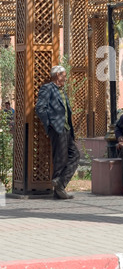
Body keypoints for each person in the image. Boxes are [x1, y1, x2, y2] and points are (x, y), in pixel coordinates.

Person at [35, 65, 80, 199]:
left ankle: (60, 183)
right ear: (57, 75)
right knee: (60, 158)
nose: (65, 78)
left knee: (75, 155)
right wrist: (50, 125)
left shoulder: (61, 90)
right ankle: (59, 191)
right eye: (64, 76)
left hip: (66, 128)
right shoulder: (47, 88)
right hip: (57, 127)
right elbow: (40, 108)